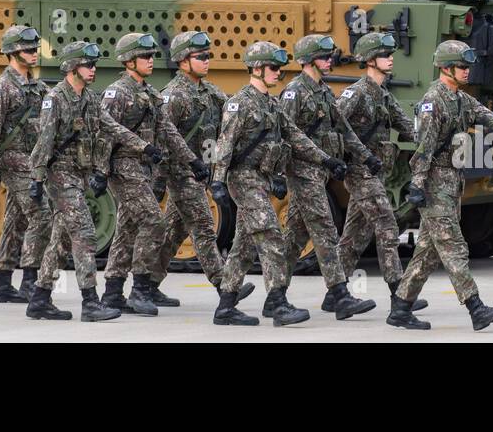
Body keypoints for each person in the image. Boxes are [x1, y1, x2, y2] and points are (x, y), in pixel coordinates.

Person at [389, 39, 493, 331]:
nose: (467, 71)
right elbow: (423, 150)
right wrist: (417, 185)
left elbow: (492, 121)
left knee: (427, 252)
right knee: (454, 247)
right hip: (434, 185)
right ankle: (476, 308)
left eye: (467, 66)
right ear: (446, 68)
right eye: (461, 66)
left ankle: (400, 308)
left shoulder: (462, 100)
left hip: (452, 184)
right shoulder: (433, 102)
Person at [213, 41, 334, 327]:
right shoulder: (239, 103)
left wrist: (325, 159)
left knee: (244, 245)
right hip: (243, 178)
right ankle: (278, 303)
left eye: (280, 68)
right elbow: (224, 145)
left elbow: (295, 136)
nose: (278, 73)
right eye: (273, 67)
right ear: (256, 68)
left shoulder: (272, 104)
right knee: (271, 235)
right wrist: (217, 182)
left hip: (261, 179)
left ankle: (225, 307)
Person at [28, 40, 140, 323]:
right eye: (87, 65)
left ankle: (39, 299)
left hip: (79, 176)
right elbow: (44, 142)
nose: (93, 69)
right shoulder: (55, 99)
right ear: (71, 67)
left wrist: (143, 146)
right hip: (59, 175)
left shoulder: (90, 98)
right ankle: (90, 302)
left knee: (61, 240)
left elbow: (111, 127)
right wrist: (37, 179)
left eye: (94, 65)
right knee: (85, 233)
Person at [150, 30, 253, 308]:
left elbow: (232, 111)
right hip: (180, 174)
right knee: (204, 227)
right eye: (200, 56)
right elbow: (161, 140)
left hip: (201, 173)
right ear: (183, 61)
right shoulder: (173, 96)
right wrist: (158, 182)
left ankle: (148, 284)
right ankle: (225, 286)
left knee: (174, 232)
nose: (207, 60)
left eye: (207, 55)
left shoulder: (209, 92)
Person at [280, 33, 376, 319]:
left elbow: (342, 128)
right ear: (309, 60)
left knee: (295, 238)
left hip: (320, 171)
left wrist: (365, 156)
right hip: (302, 172)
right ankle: (339, 295)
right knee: (325, 229)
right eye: (323, 56)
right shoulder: (294, 92)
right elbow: (284, 134)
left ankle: (275, 293)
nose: (329, 60)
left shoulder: (323, 91)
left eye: (329, 55)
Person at [98, 32, 189, 315]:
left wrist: (191, 159)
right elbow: (104, 133)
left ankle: (112, 292)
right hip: (124, 167)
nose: (151, 60)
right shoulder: (117, 93)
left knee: (128, 228)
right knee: (153, 221)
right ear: (128, 61)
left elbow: (167, 130)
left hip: (143, 168)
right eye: (144, 56)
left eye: (151, 55)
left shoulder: (150, 92)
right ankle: (140, 289)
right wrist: (100, 171)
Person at [334, 32, 421, 308]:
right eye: (385, 54)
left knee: (354, 236)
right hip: (359, 172)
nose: (391, 58)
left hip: (375, 174)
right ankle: (399, 295)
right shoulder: (356, 93)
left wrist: (433, 141)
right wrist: (352, 156)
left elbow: (406, 127)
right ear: (370, 60)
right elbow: (335, 125)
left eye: (390, 54)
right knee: (387, 225)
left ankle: (334, 294)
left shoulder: (384, 95)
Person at [0, 25, 53, 304]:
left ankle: (2, 284)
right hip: (14, 161)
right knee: (42, 216)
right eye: (28, 50)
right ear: (13, 52)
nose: (34, 53)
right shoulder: (2, 87)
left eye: (35, 49)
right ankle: (30, 280)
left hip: (30, 161)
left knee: (15, 220)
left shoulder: (36, 86)